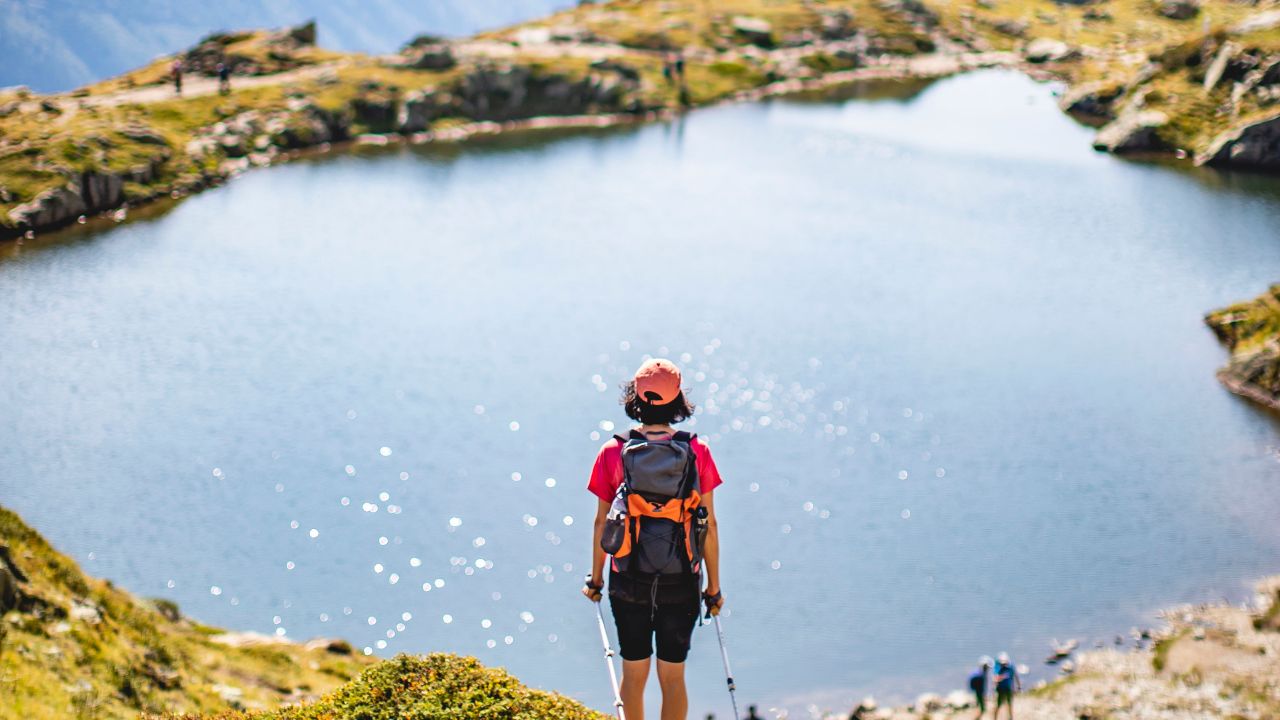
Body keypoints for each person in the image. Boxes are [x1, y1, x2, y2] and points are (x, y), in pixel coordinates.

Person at [583, 358, 724, 720]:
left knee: (633, 673)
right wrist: (714, 588)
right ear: (678, 401)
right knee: (673, 677)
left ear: (634, 398)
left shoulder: (613, 452)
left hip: (628, 576)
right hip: (682, 577)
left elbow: (602, 524)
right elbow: (708, 524)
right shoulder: (697, 452)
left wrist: (596, 579)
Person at [992, 652, 1020, 720]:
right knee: (998, 705)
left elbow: (1016, 676)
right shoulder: (997, 668)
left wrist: (1019, 686)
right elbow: (995, 679)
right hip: (1000, 690)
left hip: (1009, 689)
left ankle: (1010, 718)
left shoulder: (1011, 667)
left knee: (1009, 704)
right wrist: (1002, 678)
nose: (1003, 664)